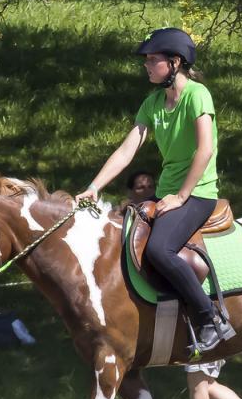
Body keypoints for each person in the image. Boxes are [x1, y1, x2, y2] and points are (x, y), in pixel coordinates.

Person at [76, 28, 233, 354]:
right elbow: (126, 151)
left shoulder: (197, 94)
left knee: (160, 250)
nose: (146, 65)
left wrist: (181, 196)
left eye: (152, 60)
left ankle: (210, 318)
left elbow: (205, 150)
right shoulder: (153, 103)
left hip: (198, 194)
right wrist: (93, 187)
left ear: (174, 62)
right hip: (165, 194)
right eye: (146, 60)